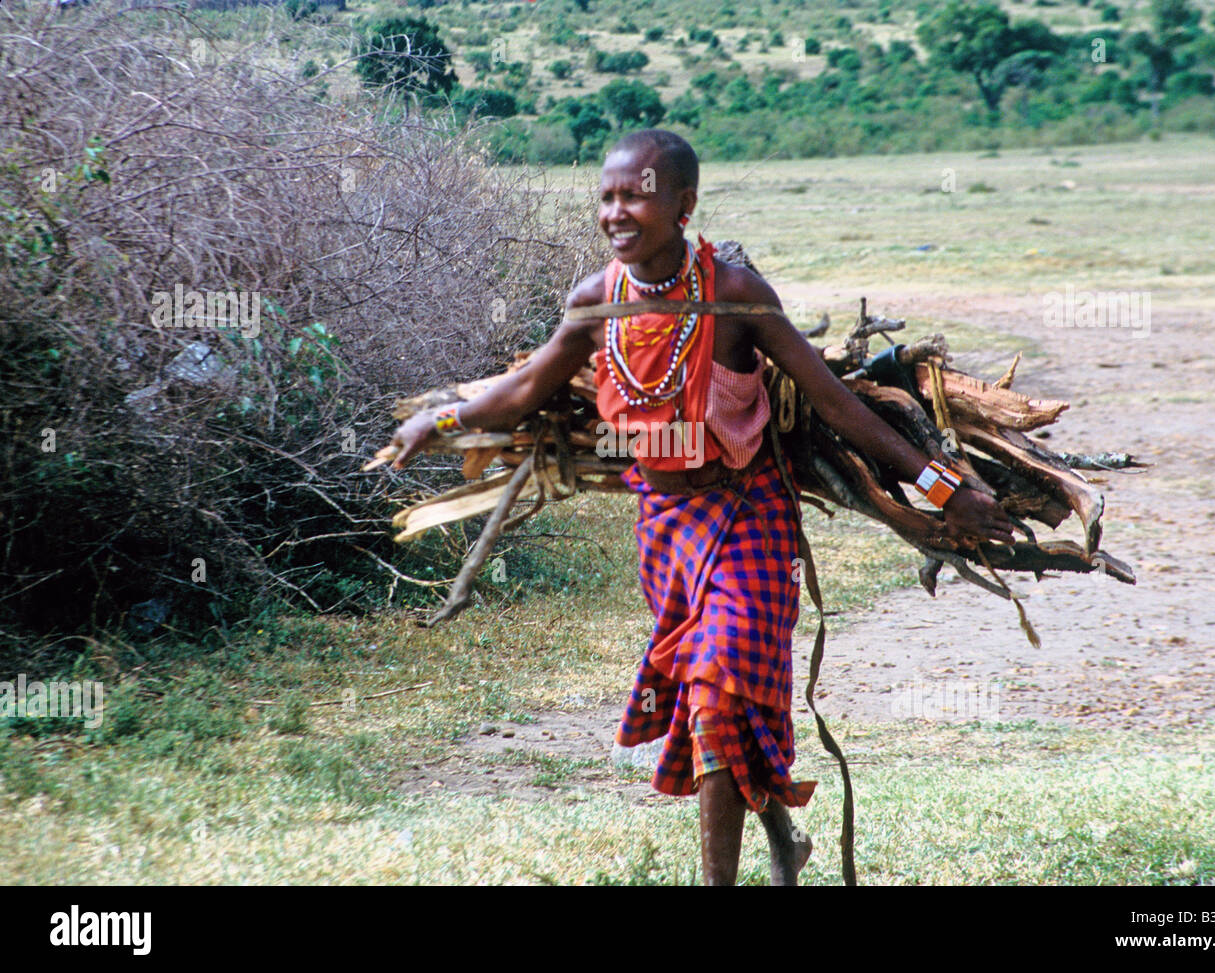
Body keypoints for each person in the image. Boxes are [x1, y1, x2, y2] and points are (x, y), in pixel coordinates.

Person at [388, 129, 1015, 885]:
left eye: (635, 196)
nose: (615, 212)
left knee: (718, 686)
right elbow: (523, 393)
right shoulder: (596, 302)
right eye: (607, 196)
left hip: (748, 515)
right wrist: (443, 420)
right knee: (720, 699)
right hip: (667, 529)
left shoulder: (736, 293)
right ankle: (781, 832)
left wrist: (943, 486)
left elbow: (835, 403)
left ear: (683, 205)